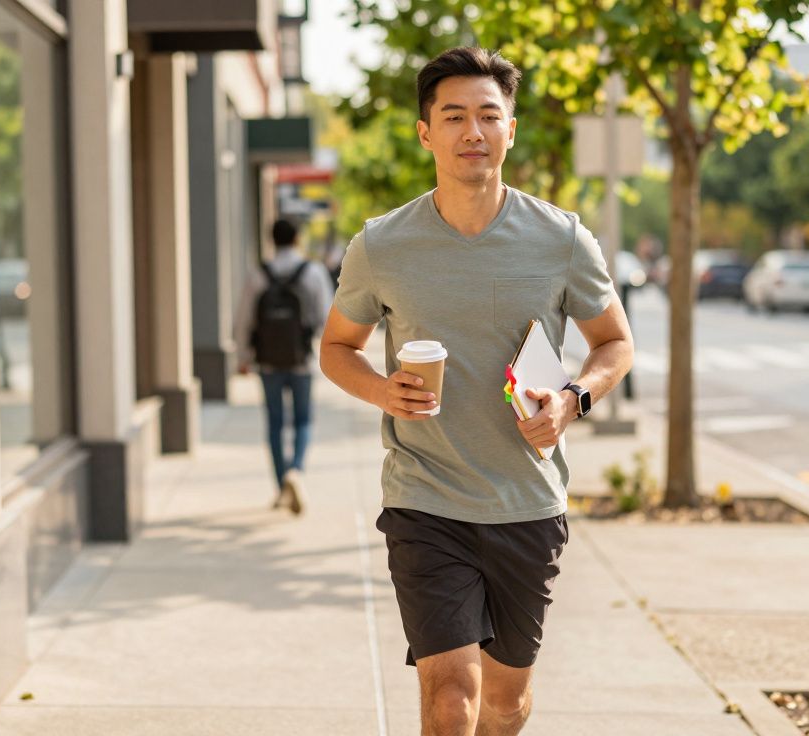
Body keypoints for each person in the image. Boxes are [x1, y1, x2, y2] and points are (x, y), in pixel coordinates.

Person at [320, 48, 634, 735]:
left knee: (503, 702)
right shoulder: (381, 245)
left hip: (525, 500)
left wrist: (573, 397)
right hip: (424, 498)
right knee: (450, 695)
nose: (473, 131)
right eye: (454, 115)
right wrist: (382, 391)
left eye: (488, 115)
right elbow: (336, 350)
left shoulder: (561, 238)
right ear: (425, 131)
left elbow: (615, 342)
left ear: (510, 129)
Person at [235, 219, 334, 515]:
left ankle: (281, 487)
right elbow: (326, 318)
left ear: (272, 240)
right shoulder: (312, 272)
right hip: (301, 359)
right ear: (298, 238)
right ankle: (297, 470)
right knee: (303, 420)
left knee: (275, 423)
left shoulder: (258, 274)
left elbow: (244, 320)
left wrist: (242, 356)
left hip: (267, 361)